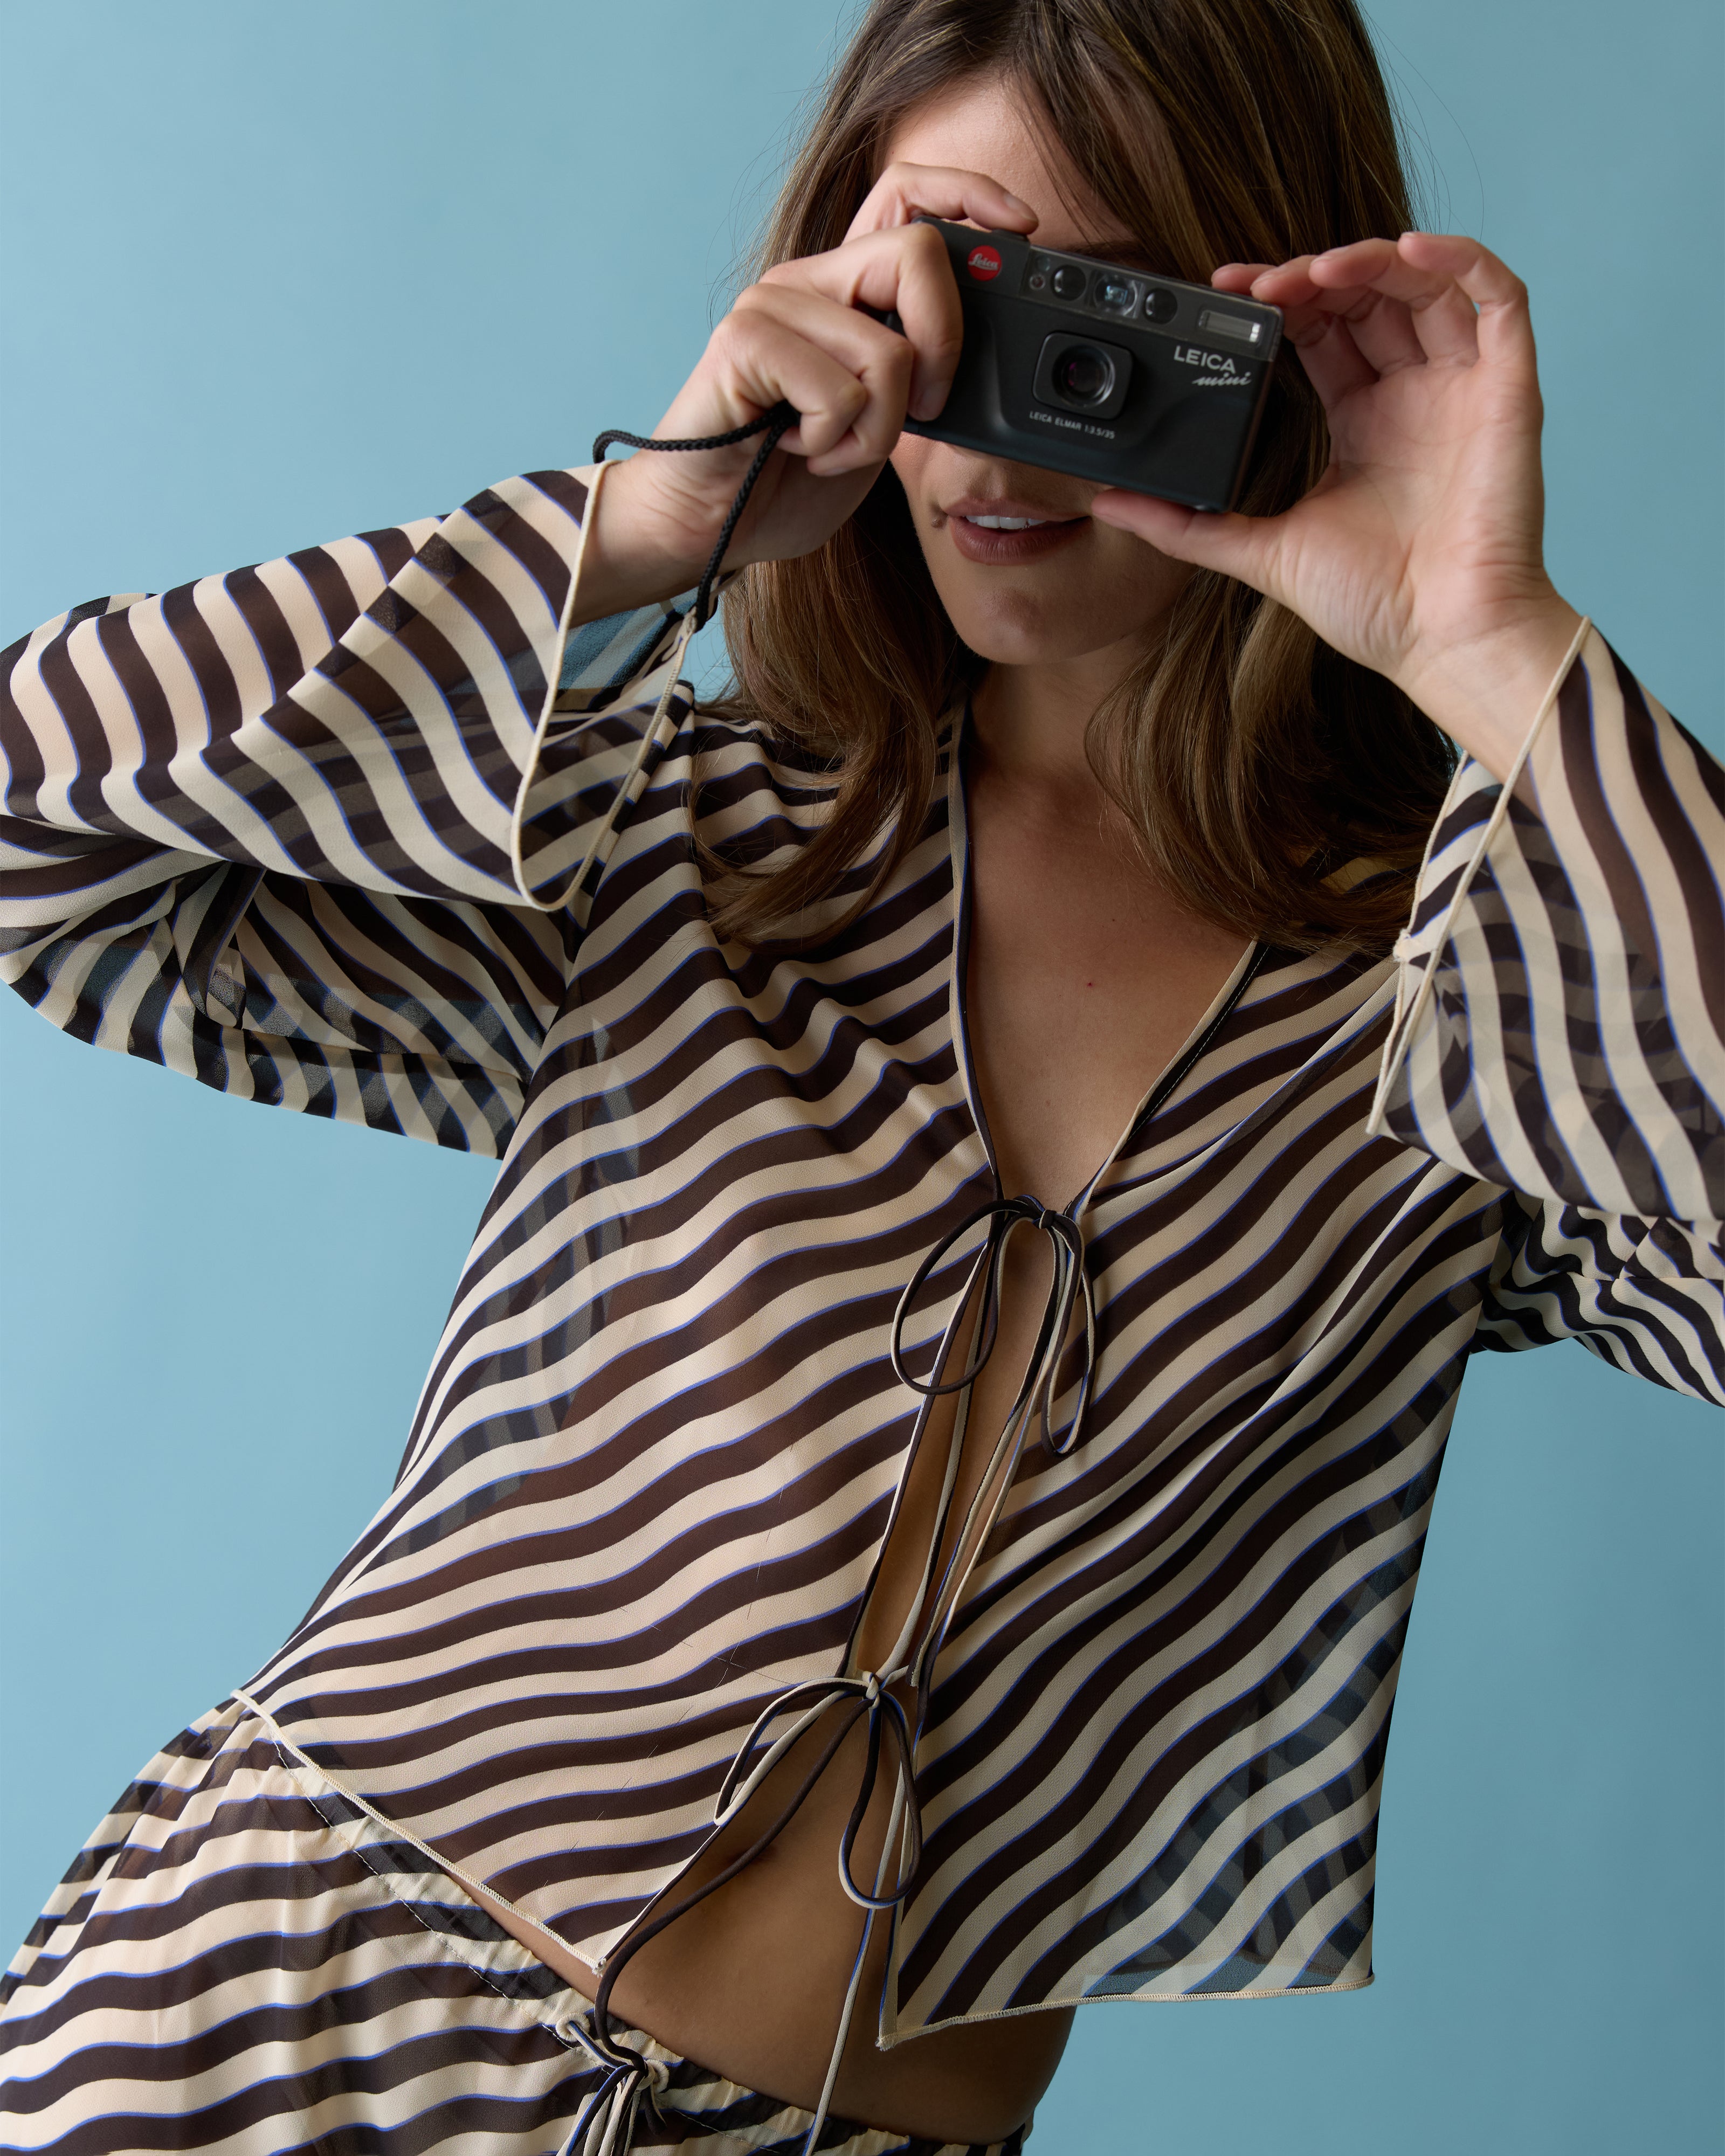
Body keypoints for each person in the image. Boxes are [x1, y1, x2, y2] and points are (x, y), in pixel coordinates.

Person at [1, 0, 1719, 2149]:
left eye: (1099, 327)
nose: (994, 451)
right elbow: (40, 842)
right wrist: (642, 527)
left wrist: (1488, 645)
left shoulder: (1467, 992)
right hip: (270, 2013)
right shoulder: (679, 834)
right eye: (950, 299)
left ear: (1268, 327)